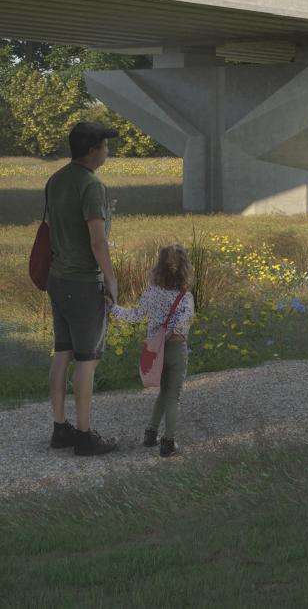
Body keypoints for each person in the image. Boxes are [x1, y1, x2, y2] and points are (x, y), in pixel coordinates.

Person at [46, 120, 120, 456]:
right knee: (87, 360)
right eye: (105, 145)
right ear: (92, 150)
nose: (108, 150)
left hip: (58, 279)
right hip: (82, 281)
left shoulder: (56, 180)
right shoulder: (92, 186)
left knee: (62, 352)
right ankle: (85, 435)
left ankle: (61, 428)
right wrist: (111, 279)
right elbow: (97, 241)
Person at [111, 245, 196, 457]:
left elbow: (136, 316)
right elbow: (181, 326)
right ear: (185, 269)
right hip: (176, 350)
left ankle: (150, 433)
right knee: (173, 396)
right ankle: (168, 443)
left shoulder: (151, 292)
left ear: (158, 267)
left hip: (154, 350)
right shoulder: (186, 298)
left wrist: (111, 308)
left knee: (163, 392)